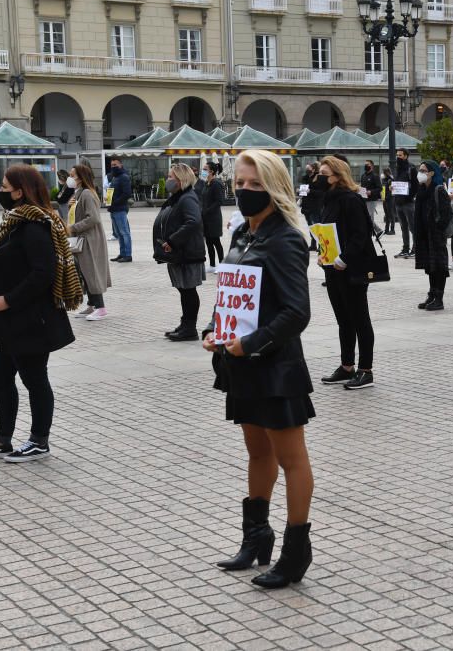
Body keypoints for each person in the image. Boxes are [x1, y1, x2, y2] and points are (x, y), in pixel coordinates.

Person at [204, 149, 315, 589]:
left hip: (275, 366)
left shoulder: (286, 238)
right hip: (240, 364)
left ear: (274, 187)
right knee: (256, 453)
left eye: (255, 184)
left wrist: (249, 343)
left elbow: (296, 312)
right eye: (240, 184)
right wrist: (215, 329)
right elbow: (231, 295)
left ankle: (296, 551)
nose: (245, 191)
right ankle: (256, 537)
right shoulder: (241, 236)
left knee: (291, 458)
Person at [0, 164, 81, 462]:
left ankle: (39, 441)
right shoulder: (13, 221)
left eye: (5, 187)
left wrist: (9, 300)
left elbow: (43, 273)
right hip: (7, 320)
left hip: (30, 318)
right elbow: (8, 259)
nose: (0, 192)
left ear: (20, 192)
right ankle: (2, 438)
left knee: (34, 378)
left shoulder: (35, 225)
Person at [316, 155, 377, 390]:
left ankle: (366, 370)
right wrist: (324, 254)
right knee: (343, 319)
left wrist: (344, 258)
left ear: (337, 177)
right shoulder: (329, 199)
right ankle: (347, 366)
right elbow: (326, 232)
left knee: (360, 318)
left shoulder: (351, 199)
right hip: (333, 268)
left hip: (353, 268)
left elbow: (361, 235)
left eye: (324, 174)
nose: (319, 178)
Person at [153, 163, 207, 341]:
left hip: (188, 253)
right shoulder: (178, 197)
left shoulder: (187, 198)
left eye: (171, 177)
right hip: (180, 253)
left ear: (181, 179)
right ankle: (185, 324)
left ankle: (190, 328)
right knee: (184, 290)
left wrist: (173, 240)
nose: (167, 180)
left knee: (188, 290)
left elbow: (193, 222)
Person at [66, 164, 112, 321]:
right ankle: (92, 305)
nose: (70, 178)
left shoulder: (86, 194)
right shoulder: (79, 193)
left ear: (81, 177)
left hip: (89, 239)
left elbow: (93, 218)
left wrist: (72, 228)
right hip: (82, 239)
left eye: (72, 175)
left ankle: (101, 307)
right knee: (84, 272)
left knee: (91, 272)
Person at [414, 160, 453, 311]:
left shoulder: (438, 189)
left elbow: (447, 214)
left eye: (423, 170)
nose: (420, 173)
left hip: (436, 235)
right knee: (430, 267)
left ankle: (439, 298)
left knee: (439, 267)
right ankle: (431, 295)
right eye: (420, 170)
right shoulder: (422, 189)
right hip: (424, 234)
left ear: (431, 173)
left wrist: (438, 229)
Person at [200, 161, 226, 273]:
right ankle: (212, 265)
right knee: (209, 242)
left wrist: (207, 211)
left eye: (205, 169)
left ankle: (222, 265)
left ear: (211, 171)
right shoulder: (207, 183)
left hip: (214, 218)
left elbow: (219, 201)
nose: (203, 171)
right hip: (205, 218)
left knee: (216, 242)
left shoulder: (216, 183)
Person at [107, 156, 133, 262]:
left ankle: (127, 255)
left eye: (115, 165)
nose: (113, 167)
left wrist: (115, 202)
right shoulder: (114, 177)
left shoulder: (123, 177)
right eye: (112, 165)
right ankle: (122, 253)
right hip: (113, 209)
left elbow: (127, 194)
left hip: (120, 209)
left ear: (121, 165)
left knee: (124, 232)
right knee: (118, 233)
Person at [393, 149, 419, 259]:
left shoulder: (411, 168)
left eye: (400, 155)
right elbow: (396, 183)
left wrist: (409, 196)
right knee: (403, 227)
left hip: (408, 203)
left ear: (406, 156)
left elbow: (416, 186)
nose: (398, 157)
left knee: (412, 227)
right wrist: (392, 187)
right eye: (397, 155)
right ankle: (405, 249)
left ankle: (416, 249)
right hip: (398, 202)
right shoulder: (396, 168)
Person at [360, 160, 384, 236]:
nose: (366, 165)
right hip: (363, 199)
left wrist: (371, 192)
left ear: (372, 166)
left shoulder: (375, 176)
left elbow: (379, 188)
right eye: (365, 164)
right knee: (365, 217)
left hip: (372, 200)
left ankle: (369, 234)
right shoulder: (363, 176)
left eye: (368, 164)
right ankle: (378, 230)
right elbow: (362, 187)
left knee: (369, 217)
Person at [381, 166, 396, 235]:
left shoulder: (391, 179)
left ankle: (392, 229)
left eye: (384, 172)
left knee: (391, 214)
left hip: (390, 199)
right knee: (386, 214)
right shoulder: (383, 180)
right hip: (384, 199)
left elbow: (392, 190)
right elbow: (383, 189)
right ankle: (386, 229)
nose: (383, 174)